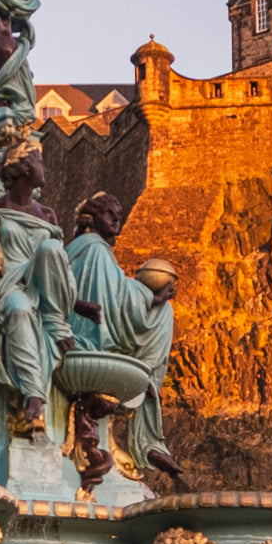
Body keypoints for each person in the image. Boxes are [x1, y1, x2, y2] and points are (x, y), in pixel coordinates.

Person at [0, 143, 92, 432]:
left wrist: (78, 304)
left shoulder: (48, 215)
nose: (45, 170)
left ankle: (56, 324)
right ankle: (34, 393)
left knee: (50, 247)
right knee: (18, 310)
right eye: (40, 163)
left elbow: (60, 266)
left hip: (45, 289)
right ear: (24, 170)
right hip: (9, 285)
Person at [66, 192, 181, 478]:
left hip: (96, 326)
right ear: (92, 218)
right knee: (163, 313)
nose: (118, 218)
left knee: (163, 314)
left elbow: (116, 289)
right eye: (109, 213)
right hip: (88, 331)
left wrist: (148, 296)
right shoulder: (92, 249)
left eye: (119, 213)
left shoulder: (92, 251)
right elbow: (113, 296)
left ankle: (149, 440)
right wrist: (153, 298)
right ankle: (145, 441)